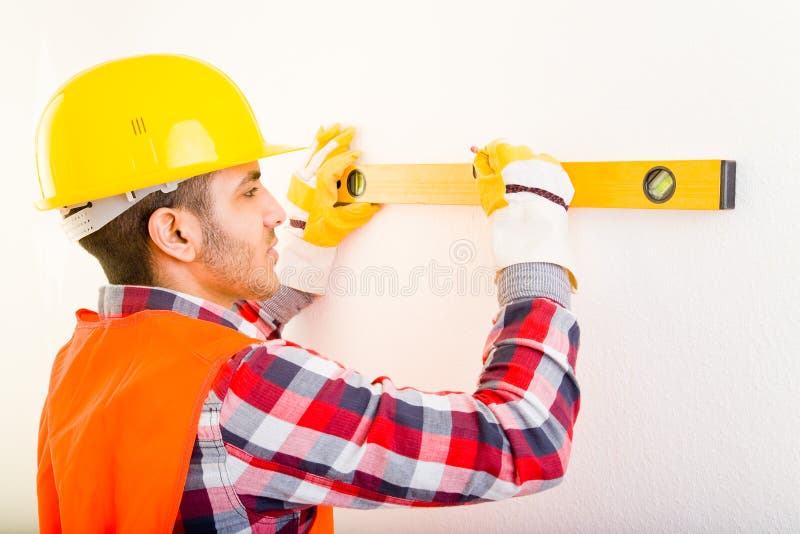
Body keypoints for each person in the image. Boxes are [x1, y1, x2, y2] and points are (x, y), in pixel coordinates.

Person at [35, 54, 581, 534]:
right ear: (176, 233)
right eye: (249, 191)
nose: (275, 210)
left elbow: (199, 364)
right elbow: (526, 442)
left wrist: (305, 247)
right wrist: (532, 251)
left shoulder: (87, 361)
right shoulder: (244, 391)